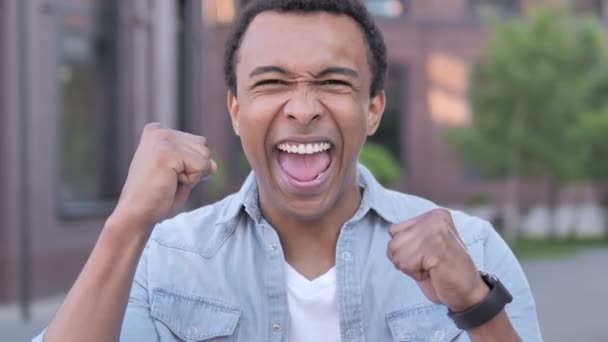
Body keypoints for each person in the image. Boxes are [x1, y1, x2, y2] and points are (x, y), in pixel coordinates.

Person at [35, 0, 542, 341]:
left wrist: (476, 304)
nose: (302, 108)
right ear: (235, 110)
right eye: (273, 82)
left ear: (373, 109)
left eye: (333, 82)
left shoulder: (473, 251)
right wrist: (126, 225)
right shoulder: (165, 260)